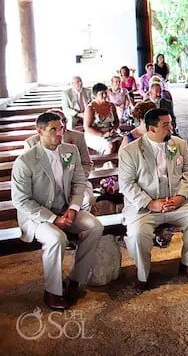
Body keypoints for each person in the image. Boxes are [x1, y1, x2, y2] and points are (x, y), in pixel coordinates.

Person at [11, 112, 103, 310]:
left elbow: (79, 182)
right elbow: (21, 200)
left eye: (61, 128)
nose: (59, 133)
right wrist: (53, 218)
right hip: (37, 216)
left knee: (95, 226)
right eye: (53, 129)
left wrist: (73, 208)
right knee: (56, 238)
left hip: (65, 209)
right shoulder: (25, 161)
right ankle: (52, 291)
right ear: (40, 132)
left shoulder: (70, 150)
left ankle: (75, 279)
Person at [118, 108, 188, 291]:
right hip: (144, 207)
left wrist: (180, 197)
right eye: (166, 125)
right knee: (136, 234)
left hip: (177, 202)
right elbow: (126, 184)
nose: (171, 128)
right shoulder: (130, 151)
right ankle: (143, 274)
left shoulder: (179, 144)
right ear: (151, 128)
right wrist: (150, 203)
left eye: (171, 123)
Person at [24, 109, 95, 212]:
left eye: (64, 121)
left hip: (76, 181)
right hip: (47, 186)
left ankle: (79, 218)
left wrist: (75, 180)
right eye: (53, 128)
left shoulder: (77, 137)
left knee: (89, 200)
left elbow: (87, 163)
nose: (61, 126)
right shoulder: (31, 143)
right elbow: (31, 174)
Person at [84, 83, 120, 154]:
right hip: (95, 135)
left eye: (106, 93)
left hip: (110, 133)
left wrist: (114, 129)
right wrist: (103, 134)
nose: (105, 95)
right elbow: (87, 128)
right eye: (102, 93)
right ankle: (107, 162)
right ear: (95, 95)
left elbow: (116, 121)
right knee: (110, 146)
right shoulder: (90, 108)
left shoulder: (111, 106)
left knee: (124, 142)